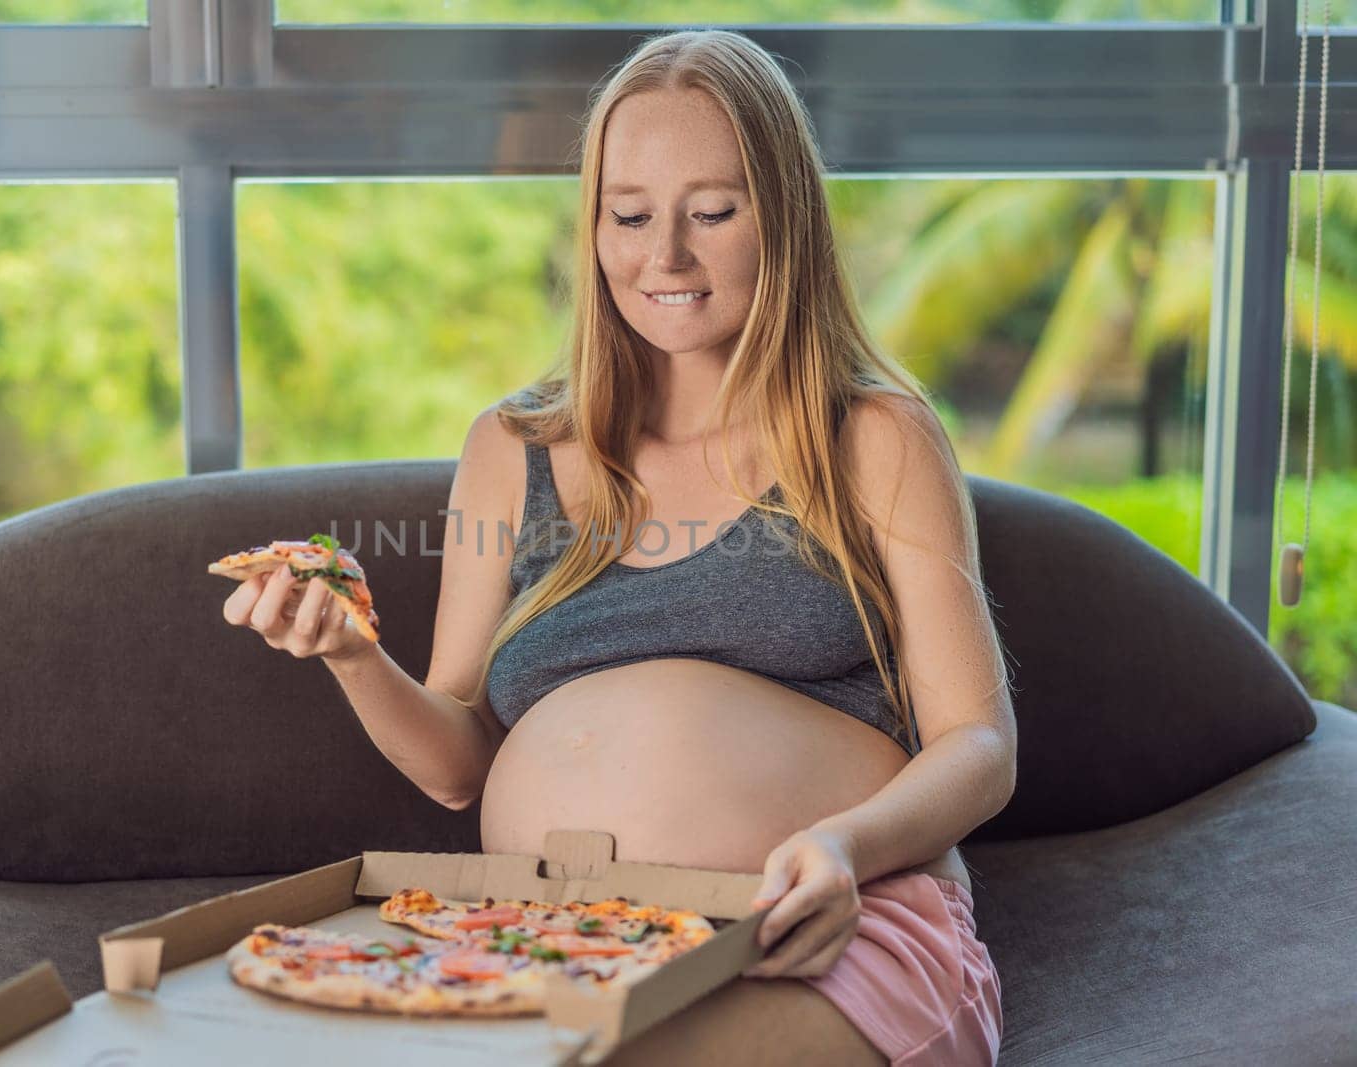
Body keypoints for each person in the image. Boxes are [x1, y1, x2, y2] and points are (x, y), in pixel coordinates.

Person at [223, 28, 1014, 1067]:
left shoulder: (872, 435)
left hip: (824, 919)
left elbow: (979, 744)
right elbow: (459, 763)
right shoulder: (513, 448)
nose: (664, 257)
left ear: (784, 215)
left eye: (713, 212)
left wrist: (840, 845)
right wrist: (351, 653)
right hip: (558, 931)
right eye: (629, 214)